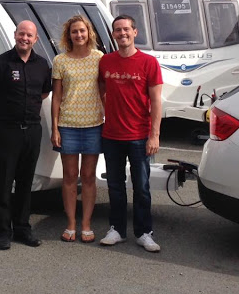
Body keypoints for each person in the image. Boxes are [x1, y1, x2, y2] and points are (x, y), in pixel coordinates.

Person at [0, 20, 52, 250]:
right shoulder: (0, 63)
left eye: (29, 35)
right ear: (15, 35)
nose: (25, 38)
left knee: (26, 182)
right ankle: (2, 231)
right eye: (21, 34)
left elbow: (45, 92)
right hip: (7, 131)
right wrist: (0, 112)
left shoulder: (42, 65)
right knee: (3, 182)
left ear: (35, 39)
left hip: (32, 131)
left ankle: (22, 228)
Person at [98, 14, 163, 252]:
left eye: (126, 29)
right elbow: (102, 90)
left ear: (135, 32)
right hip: (112, 135)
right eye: (118, 30)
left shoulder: (148, 62)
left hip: (139, 136)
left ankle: (144, 232)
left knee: (142, 187)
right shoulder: (105, 61)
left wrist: (154, 135)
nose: (122, 33)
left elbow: (156, 101)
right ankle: (117, 229)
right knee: (115, 186)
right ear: (113, 34)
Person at [51, 15, 104, 244]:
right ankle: (71, 224)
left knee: (89, 177)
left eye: (82, 31)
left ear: (88, 33)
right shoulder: (60, 61)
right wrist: (55, 127)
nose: (79, 35)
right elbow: (56, 98)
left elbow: (104, 92)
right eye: (74, 31)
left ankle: (86, 225)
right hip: (68, 125)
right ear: (69, 35)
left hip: (93, 125)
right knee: (70, 177)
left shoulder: (100, 59)